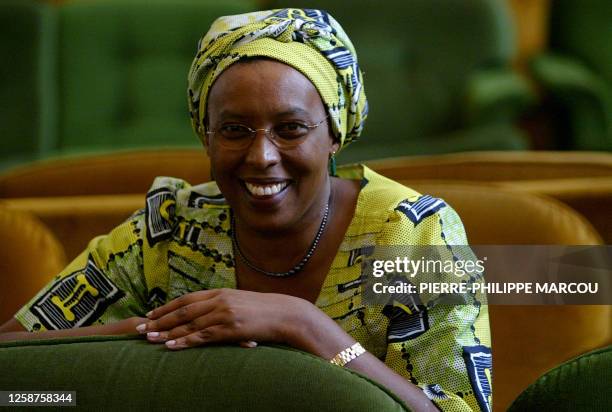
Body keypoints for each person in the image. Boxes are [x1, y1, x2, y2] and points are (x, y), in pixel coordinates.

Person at [0, 9, 491, 412]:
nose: (261, 156)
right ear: (205, 136)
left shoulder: (412, 232)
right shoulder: (168, 230)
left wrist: (305, 327)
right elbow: (17, 380)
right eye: (234, 130)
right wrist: (129, 339)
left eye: (291, 129)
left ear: (335, 133)